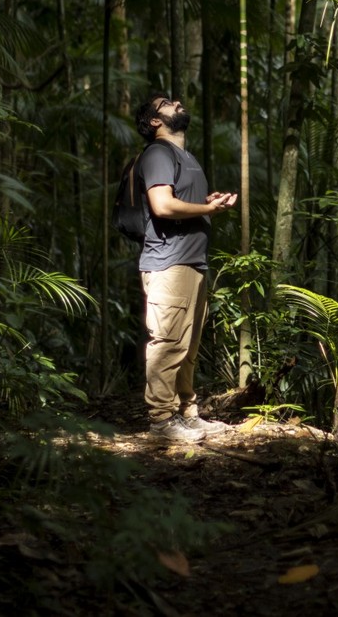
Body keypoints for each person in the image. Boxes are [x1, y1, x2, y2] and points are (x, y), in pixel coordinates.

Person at [130, 93, 237, 443]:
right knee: (167, 342)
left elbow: (177, 202)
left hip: (191, 262)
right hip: (169, 262)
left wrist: (207, 203)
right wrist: (208, 212)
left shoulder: (183, 156)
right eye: (165, 103)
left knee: (187, 346)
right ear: (155, 122)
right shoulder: (159, 153)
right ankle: (161, 422)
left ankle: (187, 414)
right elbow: (161, 206)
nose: (176, 103)